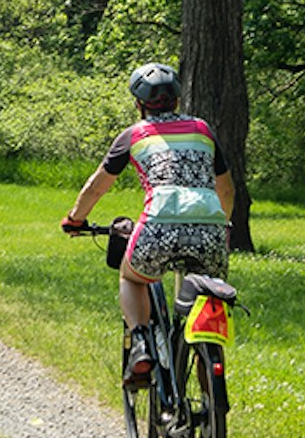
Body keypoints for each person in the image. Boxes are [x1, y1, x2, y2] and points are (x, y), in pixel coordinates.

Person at [63, 63, 233, 384]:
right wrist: (221, 225)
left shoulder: (134, 135)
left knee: (132, 277)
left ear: (139, 104)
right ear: (178, 101)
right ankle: (209, 391)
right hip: (211, 231)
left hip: (158, 228)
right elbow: (226, 189)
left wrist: (75, 219)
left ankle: (140, 343)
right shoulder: (202, 129)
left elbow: (97, 186)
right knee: (207, 301)